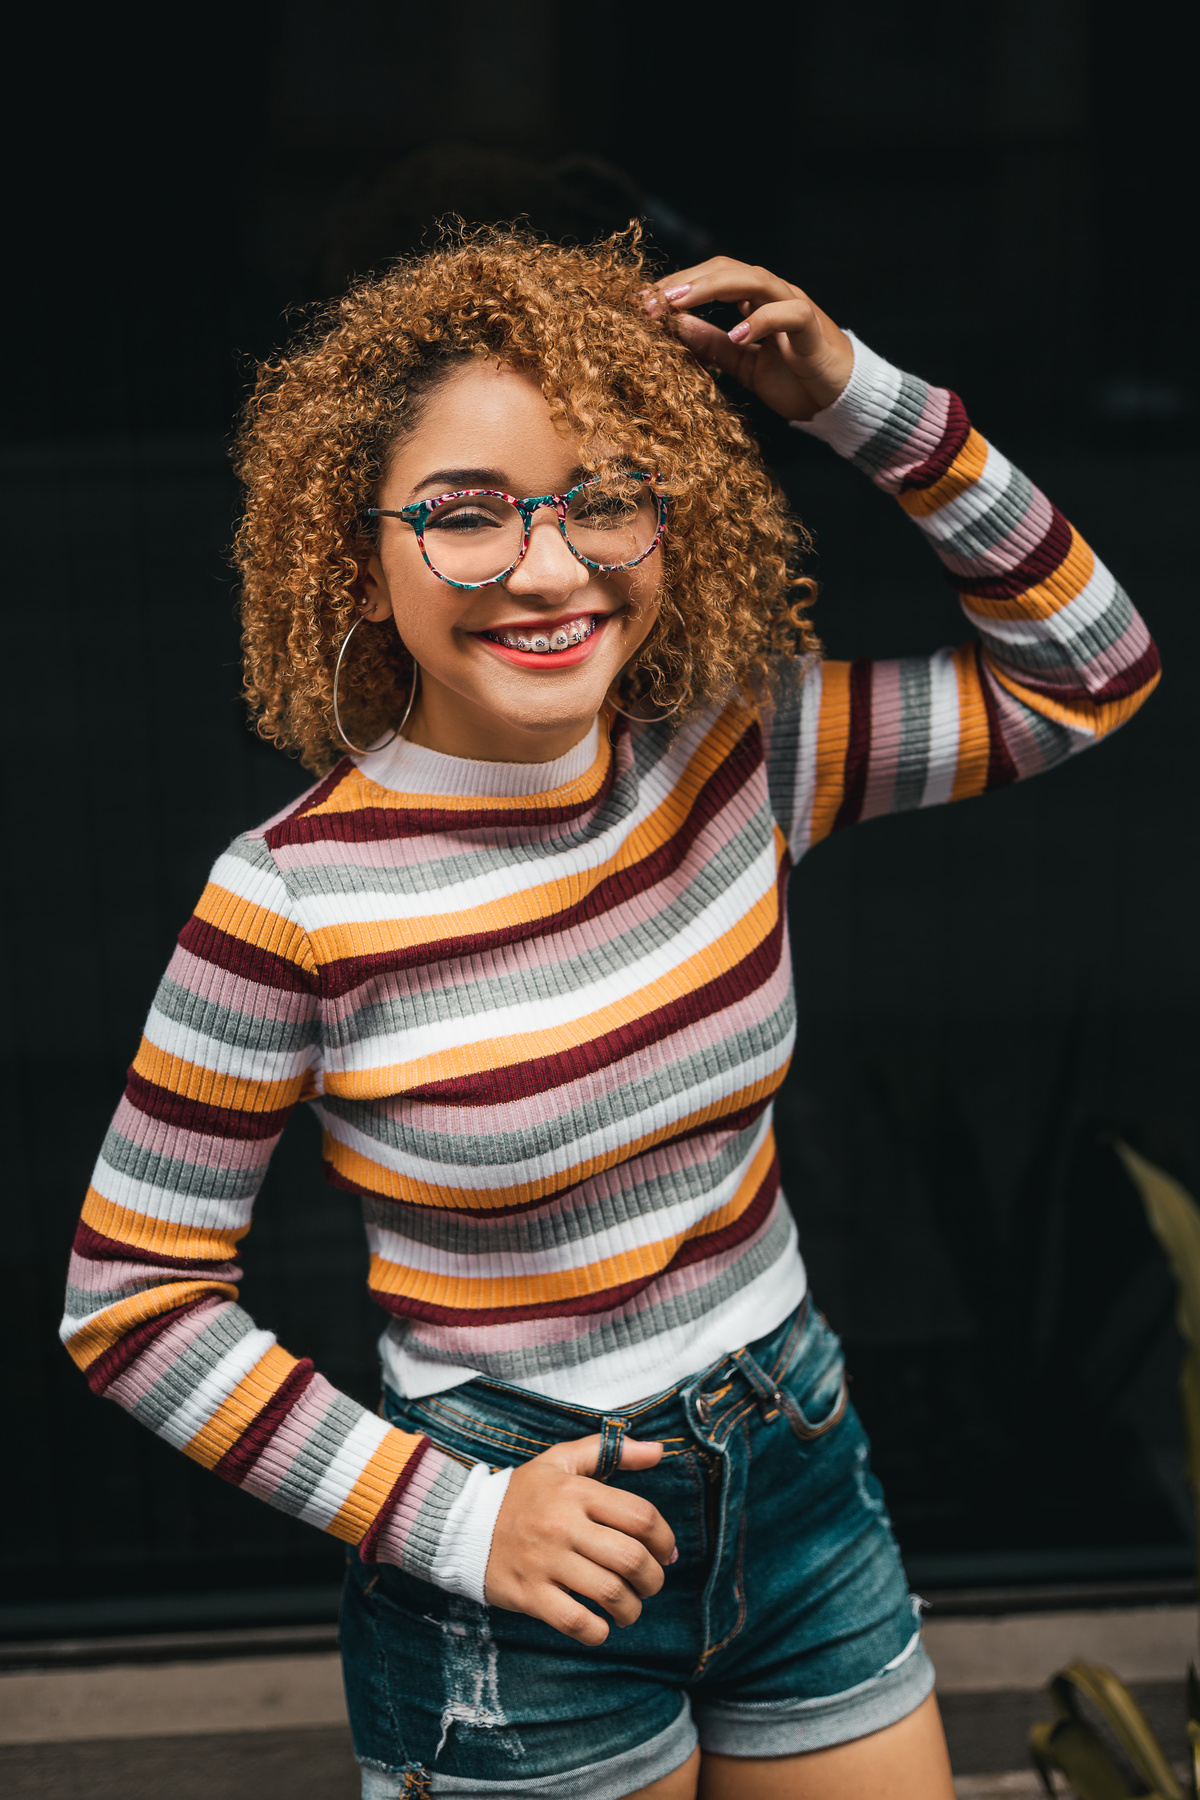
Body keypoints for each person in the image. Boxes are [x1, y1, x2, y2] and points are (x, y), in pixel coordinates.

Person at [62, 228, 1159, 1800]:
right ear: (349, 555)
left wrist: (861, 399)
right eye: (464, 515)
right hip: (519, 1543)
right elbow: (132, 1299)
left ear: (674, 517)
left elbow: (1087, 674)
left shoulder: (736, 750)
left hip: (796, 1468)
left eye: (605, 497)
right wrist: (453, 1517)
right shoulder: (290, 902)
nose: (551, 565)